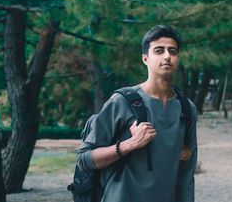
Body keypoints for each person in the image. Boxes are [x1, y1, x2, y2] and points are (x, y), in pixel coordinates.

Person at [77, 25, 198, 202]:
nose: (167, 56)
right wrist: (130, 144)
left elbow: (186, 174)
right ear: (145, 59)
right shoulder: (122, 102)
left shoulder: (187, 109)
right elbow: (84, 158)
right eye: (159, 50)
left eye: (172, 51)